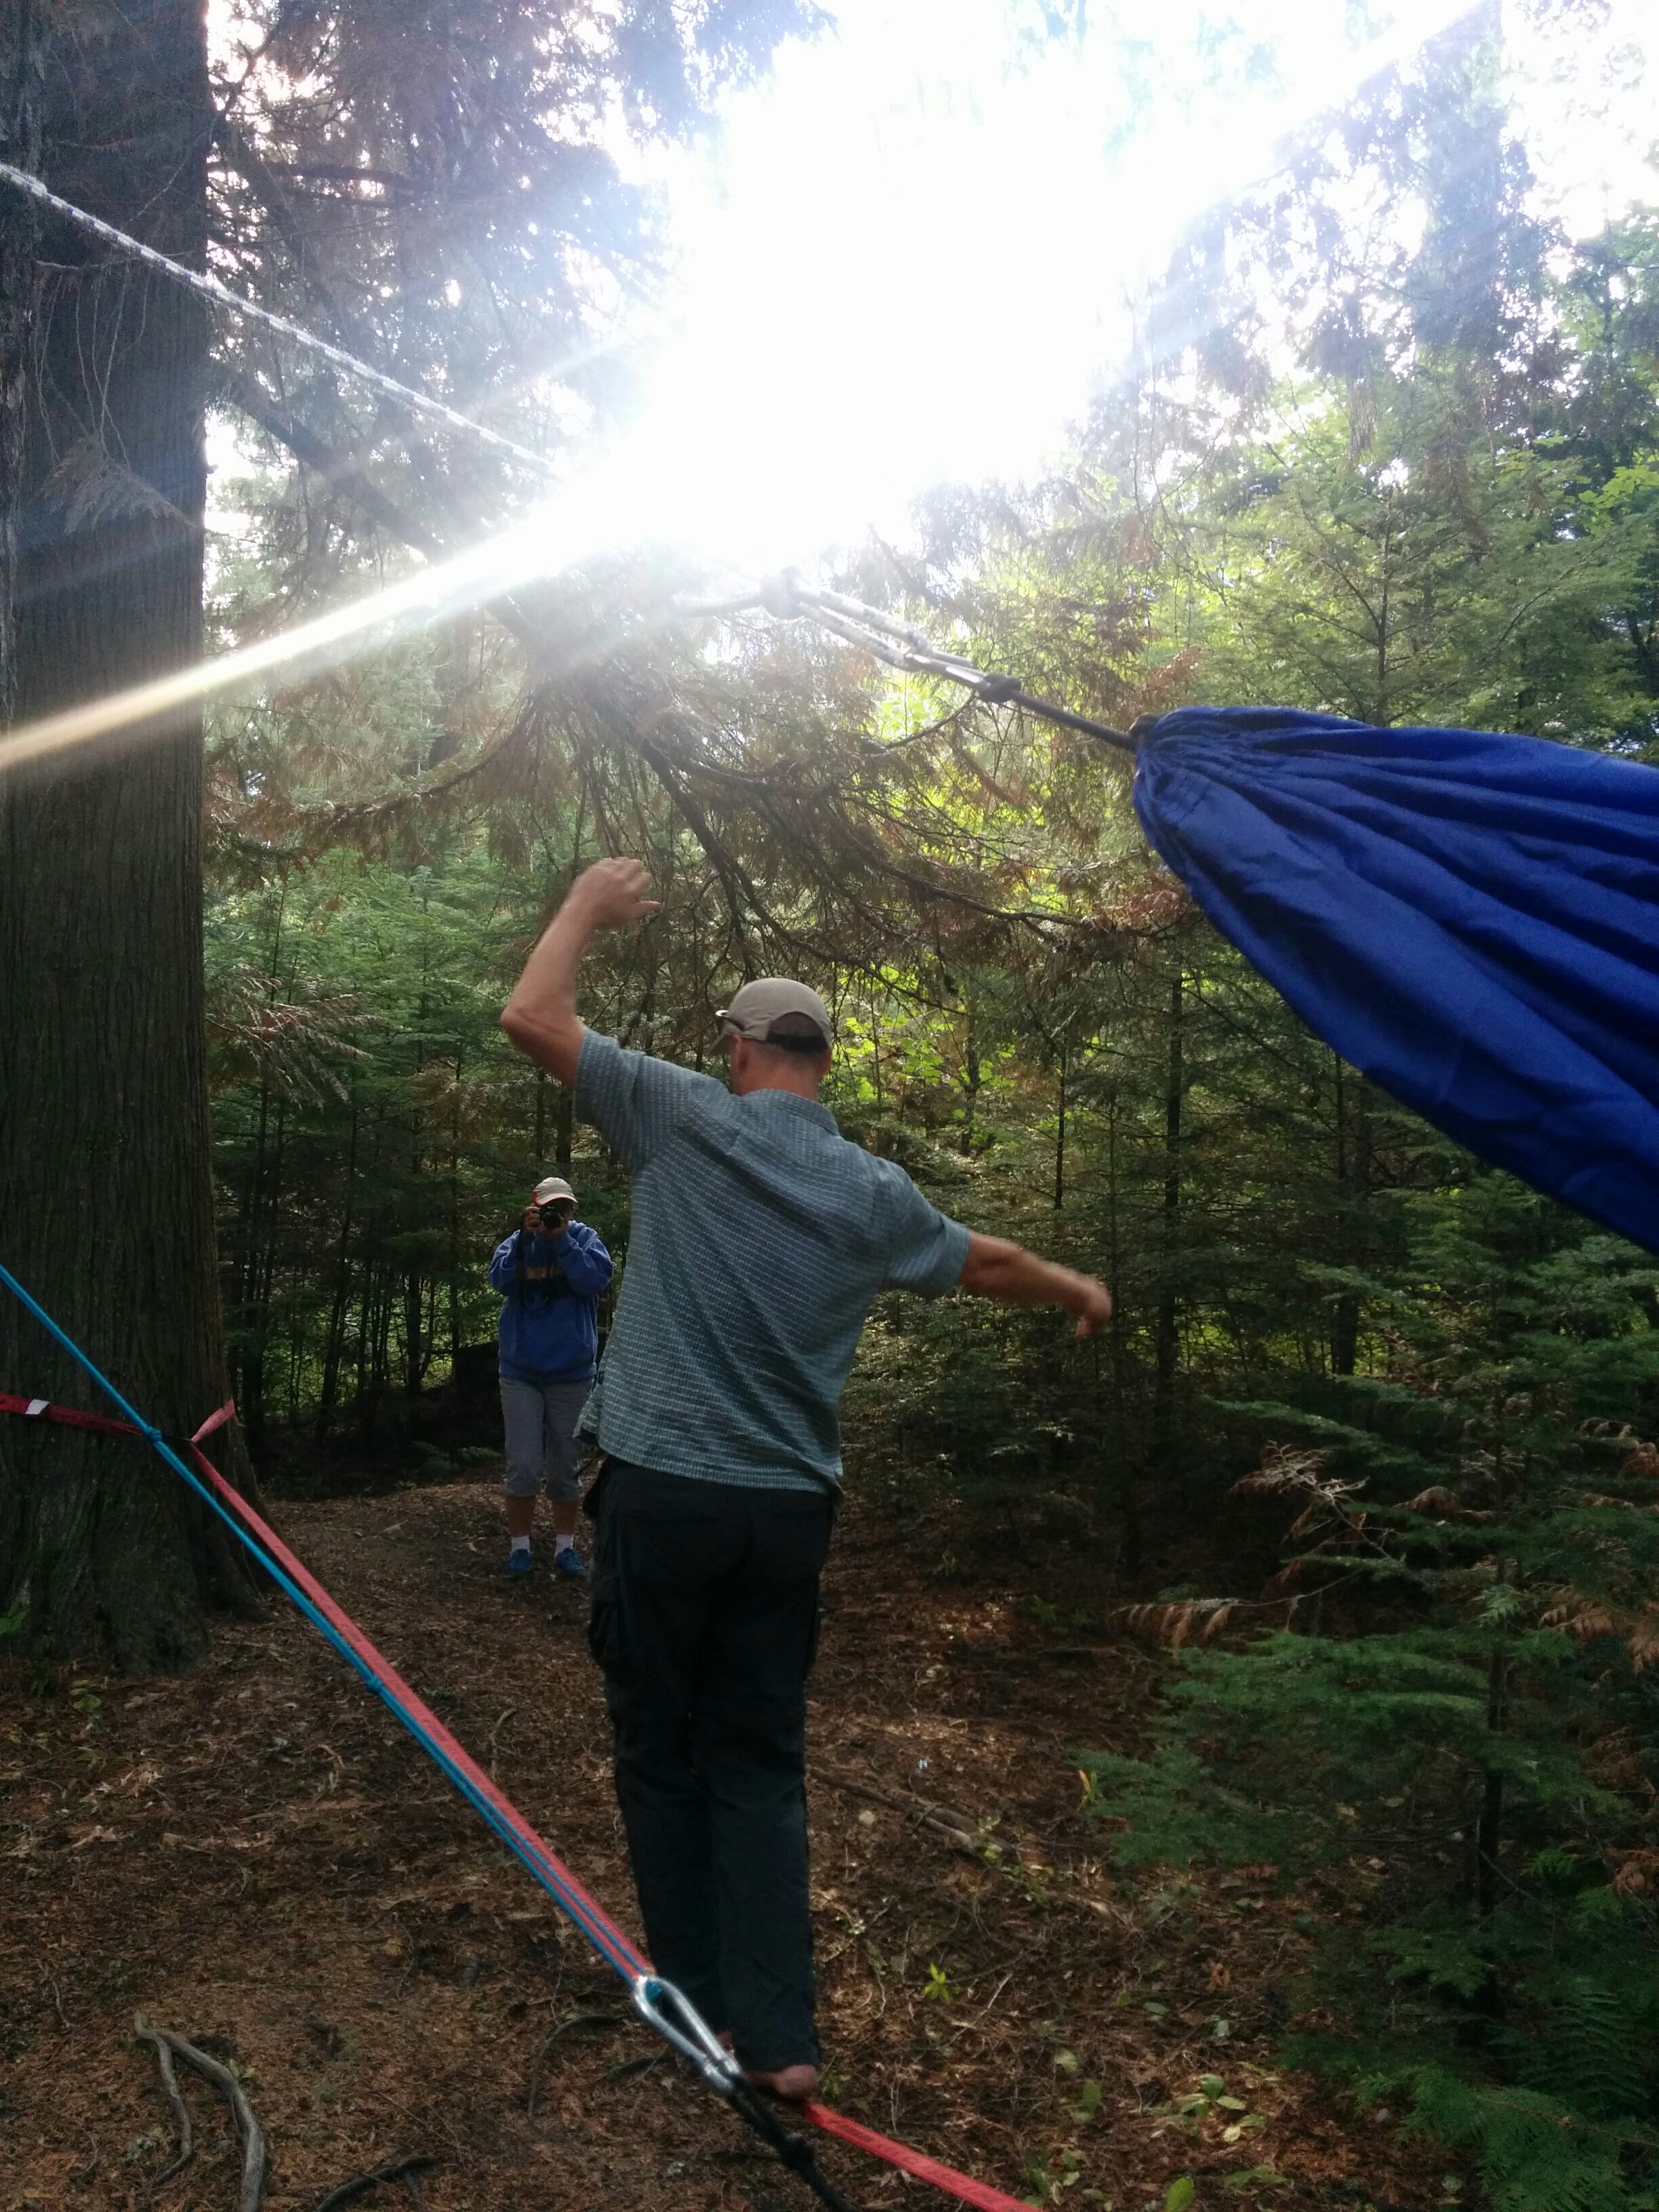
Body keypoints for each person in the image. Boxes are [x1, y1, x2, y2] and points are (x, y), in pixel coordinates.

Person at [499, 858, 1111, 2100]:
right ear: (820, 1060)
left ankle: (697, 2015)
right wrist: (1071, 1286)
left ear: (736, 1050)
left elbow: (531, 1017)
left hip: (663, 1493)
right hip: (785, 1514)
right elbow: (978, 1262)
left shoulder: (680, 1115)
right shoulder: (870, 1189)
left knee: (659, 1750)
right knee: (759, 1759)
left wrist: (580, 905)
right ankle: (780, 2041)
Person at [487, 1173, 613, 1579]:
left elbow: (595, 1280)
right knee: (522, 1464)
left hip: (572, 1374)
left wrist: (562, 1243)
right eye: (547, 1208)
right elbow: (499, 1281)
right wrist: (526, 1242)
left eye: (563, 1207)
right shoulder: (517, 1242)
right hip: (521, 1373)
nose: (556, 1214)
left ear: (573, 1208)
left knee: (565, 1466)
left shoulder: (585, 1240)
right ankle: (520, 1548)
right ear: (534, 1208)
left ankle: (565, 1548)